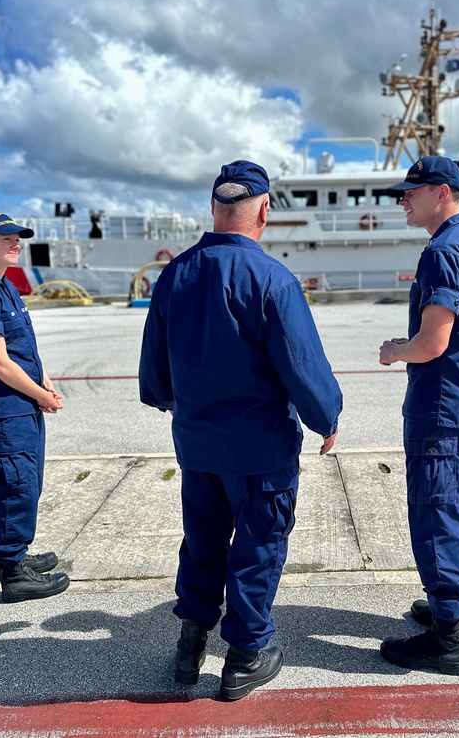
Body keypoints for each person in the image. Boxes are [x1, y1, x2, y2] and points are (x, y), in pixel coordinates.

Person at [139, 160, 343, 700]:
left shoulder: (173, 276)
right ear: (265, 211)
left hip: (198, 445)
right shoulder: (272, 279)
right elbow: (302, 365)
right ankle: (247, 654)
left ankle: (190, 641)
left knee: (203, 539)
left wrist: (176, 405)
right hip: (260, 448)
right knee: (258, 545)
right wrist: (326, 417)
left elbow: (155, 375)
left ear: (213, 208)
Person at [377, 156, 459, 674]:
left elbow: (432, 343)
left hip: (442, 405)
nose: (404, 199)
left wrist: (394, 350)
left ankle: (447, 637)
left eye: (412, 191)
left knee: (437, 513)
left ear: (442, 191)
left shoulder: (443, 252)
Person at [0, 212, 70, 604]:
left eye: (16, 237)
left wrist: (45, 381)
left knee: (28, 481)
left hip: (22, 403)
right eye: (5, 237)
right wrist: (40, 395)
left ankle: (16, 553)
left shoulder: (5, 287)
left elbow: (22, 350)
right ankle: (12, 569)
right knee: (14, 484)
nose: (15, 242)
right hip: (4, 409)